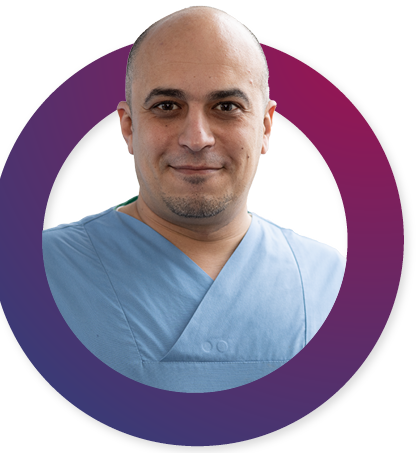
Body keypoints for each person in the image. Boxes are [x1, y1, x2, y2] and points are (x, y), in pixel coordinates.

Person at [43, 6, 346, 393]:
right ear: (129, 127)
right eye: (167, 106)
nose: (197, 138)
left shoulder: (331, 283)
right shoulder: (37, 272)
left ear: (265, 127)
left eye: (227, 107)